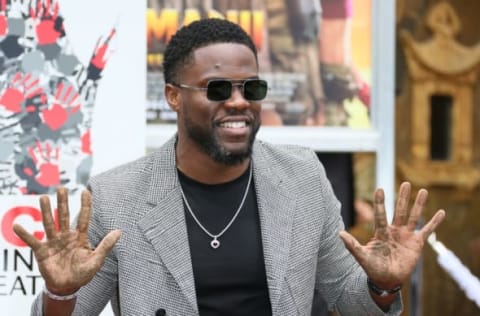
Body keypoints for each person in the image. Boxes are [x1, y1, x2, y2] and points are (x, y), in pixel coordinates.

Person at [13, 18, 445, 316]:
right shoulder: (119, 195)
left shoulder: (302, 177)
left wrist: (382, 286)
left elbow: (351, 302)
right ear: (173, 96)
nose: (238, 101)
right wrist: (60, 290)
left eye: (250, 87)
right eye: (217, 88)